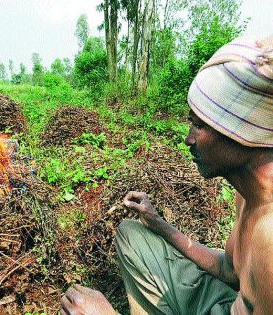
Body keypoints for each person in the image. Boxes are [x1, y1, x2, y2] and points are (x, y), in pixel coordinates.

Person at [60, 35, 273, 315]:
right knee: (132, 236)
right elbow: (227, 270)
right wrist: (159, 224)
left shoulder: (269, 238)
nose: (188, 139)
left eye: (200, 126)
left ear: (242, 131)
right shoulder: (246, 196)